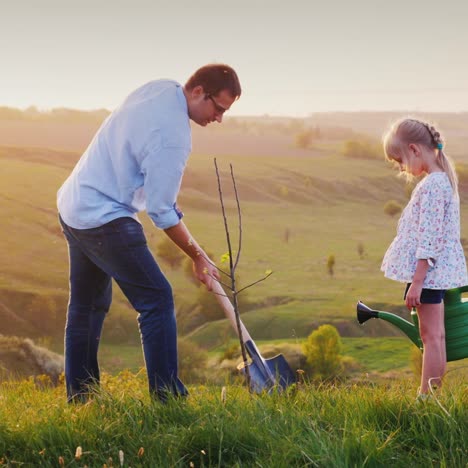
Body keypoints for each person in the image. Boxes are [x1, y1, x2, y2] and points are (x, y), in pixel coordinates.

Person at [57, 64, 242, 402]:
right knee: (156, 299)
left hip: (73, 203)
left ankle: (80, 398)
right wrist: (199, 257)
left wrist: (164, 197)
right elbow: (160, 211)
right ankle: (168, 398)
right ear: (199, 90)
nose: (219, 119)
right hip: (104, 216)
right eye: (219, 108)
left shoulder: (160, 88)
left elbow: (153, 181)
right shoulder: (173, 138)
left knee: (87, 305)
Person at [381, 118, 467, 400]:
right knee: (437, 337)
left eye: (400, 160)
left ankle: (426, 398)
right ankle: (433, 396)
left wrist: (417, 282)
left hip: (428, 274)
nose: (401, 168)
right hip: (437, 272)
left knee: (430, 338)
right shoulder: (445, 180)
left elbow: (428, 239)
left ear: (415, 149)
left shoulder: (432, 186)